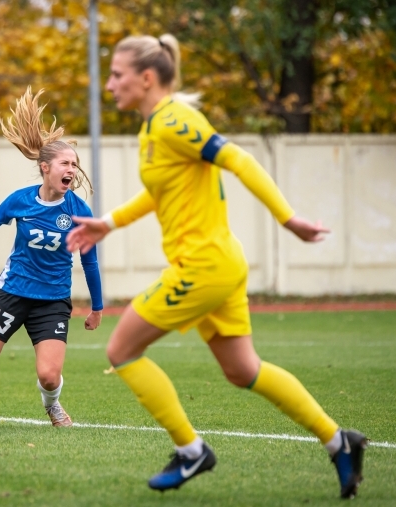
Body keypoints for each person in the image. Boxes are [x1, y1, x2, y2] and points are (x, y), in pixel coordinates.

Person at [66, 34, 367, 498]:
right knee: (243, 370)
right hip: (220, 265)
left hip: (203, 267)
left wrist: (288, 219)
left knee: (121, 350)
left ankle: (191, 452)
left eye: (117, 75)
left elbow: (238, 158)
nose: (109, 85)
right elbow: (159, 192)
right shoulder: (153, 129)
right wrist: (108, 223)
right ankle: (339, 441)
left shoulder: (175, 120)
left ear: (147, 78)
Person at [0, 88, 103, 432]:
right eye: (65, 163)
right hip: (12, 292)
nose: (72, 169)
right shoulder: (20, 201)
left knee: (49, 375)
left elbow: (90, 262)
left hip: (53, 300)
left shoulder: (79, 211)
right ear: (45, 168)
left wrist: (98, 307)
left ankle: (53, 407)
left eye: (75, 164)